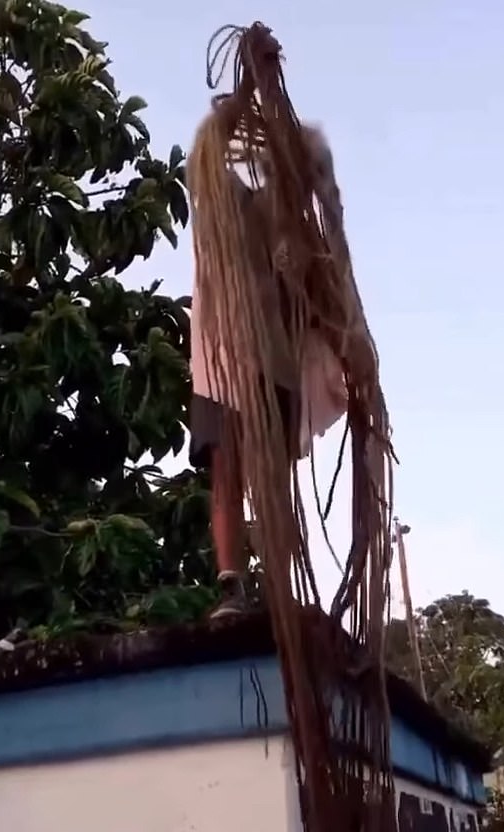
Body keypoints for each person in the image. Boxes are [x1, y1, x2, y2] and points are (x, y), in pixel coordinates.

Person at [187, 25, 349, 619]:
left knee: (273, 477)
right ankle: (232, 585)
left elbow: (328, 237)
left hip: (275, 348)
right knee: (226, 465)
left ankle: (279, 585)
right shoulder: (211, 155)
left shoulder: (296, 161)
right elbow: (217, 140)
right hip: (218, 346)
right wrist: (249, 84)